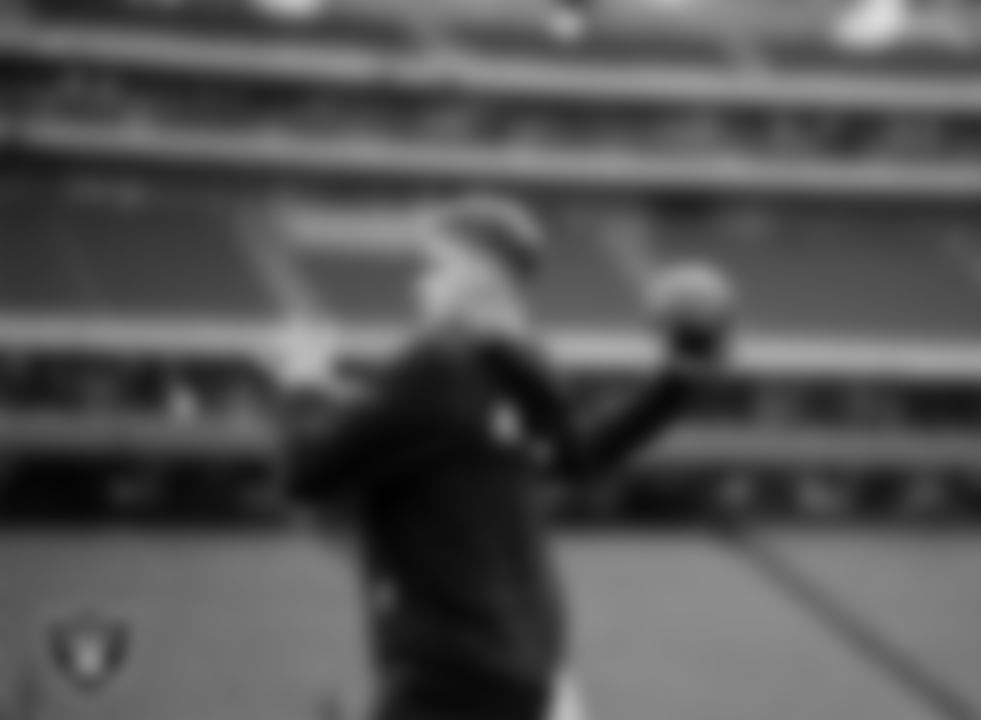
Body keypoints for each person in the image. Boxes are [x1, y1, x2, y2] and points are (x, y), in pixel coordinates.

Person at [285, 194, 736, 720]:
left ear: (480, 275)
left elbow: (307, 473)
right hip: (528, 666)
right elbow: (578, 455)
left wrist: (301, 386)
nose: (419, 285)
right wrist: (678, 381)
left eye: (434, 267)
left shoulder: (437, 363)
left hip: (450, 670)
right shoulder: (523, 367)